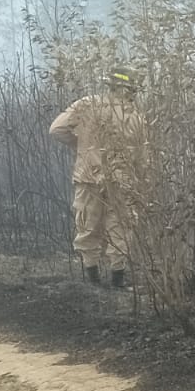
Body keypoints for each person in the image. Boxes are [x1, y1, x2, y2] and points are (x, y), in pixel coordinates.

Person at [49, 65, 148, 289]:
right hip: (123, 180)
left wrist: (82, 147)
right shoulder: (136, 117)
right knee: (120, 227)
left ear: (110, 85)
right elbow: (143, 158)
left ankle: (92, 281)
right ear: (131, 89)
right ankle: (118, 281)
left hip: (88, 177)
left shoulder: (87, 104)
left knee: (87, 226)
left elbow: (56, 129)